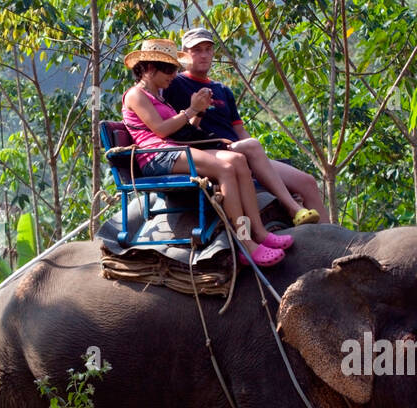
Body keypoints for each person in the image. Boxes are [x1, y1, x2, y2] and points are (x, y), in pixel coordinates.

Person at [121, 38, 292, 266]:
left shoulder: (160, 96)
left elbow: (184, 128)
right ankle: (244, 242)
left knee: (238, 160)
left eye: (174, 69)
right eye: (169, 69)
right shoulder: (136, 95)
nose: (173, 75)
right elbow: (160, 130)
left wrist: (198, 111)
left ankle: (258, 231)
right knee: (225, 167)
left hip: (174, 151)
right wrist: (190, 109)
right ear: (150, 68)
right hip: (156, 156)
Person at [165, 27, 328, 226]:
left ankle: (334, 236)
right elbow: (178, 131)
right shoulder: (175, 85)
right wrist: (197, 110)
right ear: (184, 54)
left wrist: (261, 159)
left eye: (208, 49)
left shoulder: (222, 90)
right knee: (250, 146)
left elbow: (239, 130)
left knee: (307, 182)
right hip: (210, 152)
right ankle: (295, 210)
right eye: (197, 50)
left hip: (241, 150)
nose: (204, 55)